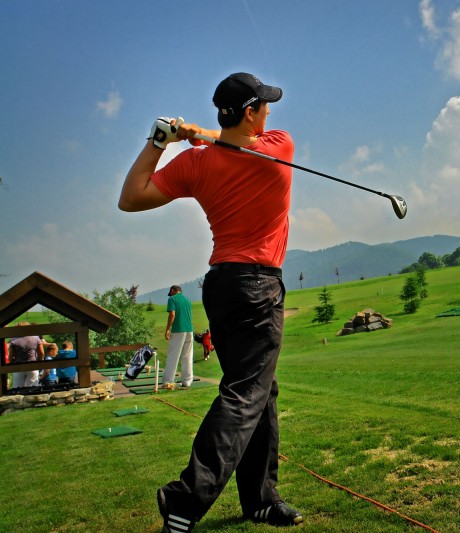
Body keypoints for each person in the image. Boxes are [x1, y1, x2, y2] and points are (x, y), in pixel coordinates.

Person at [118, 72, 301, 531]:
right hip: (258, 285)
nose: (270, 112)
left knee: (261, 389)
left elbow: (131, 197)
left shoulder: (196, 163)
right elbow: (234, 139)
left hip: (221, 285)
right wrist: (200, 135)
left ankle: (260, 498)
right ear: (250, 112)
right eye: (264, 105)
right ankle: (185, 499)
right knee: (245, 393)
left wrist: (161, 141)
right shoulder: (279, 147)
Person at [163, 285, 194, 388]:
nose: (170, 295)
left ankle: (168, 381)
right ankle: (187, 381)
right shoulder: (187, 300)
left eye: (170, 292)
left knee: (173, 356)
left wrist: (167, 329)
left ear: (173, 290)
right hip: (189, 330)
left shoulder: (172, 299)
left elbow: (172, 314)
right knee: (187, 356)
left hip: (178, 330)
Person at [8, 322, 45, 389]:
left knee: (17, 389)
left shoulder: (13, 340)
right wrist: (40, 362)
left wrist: (10, 365)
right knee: (32, 389)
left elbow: (10, 357)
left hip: (18, 366)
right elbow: (42, 353)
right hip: (32, 365)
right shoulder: (36, 338)